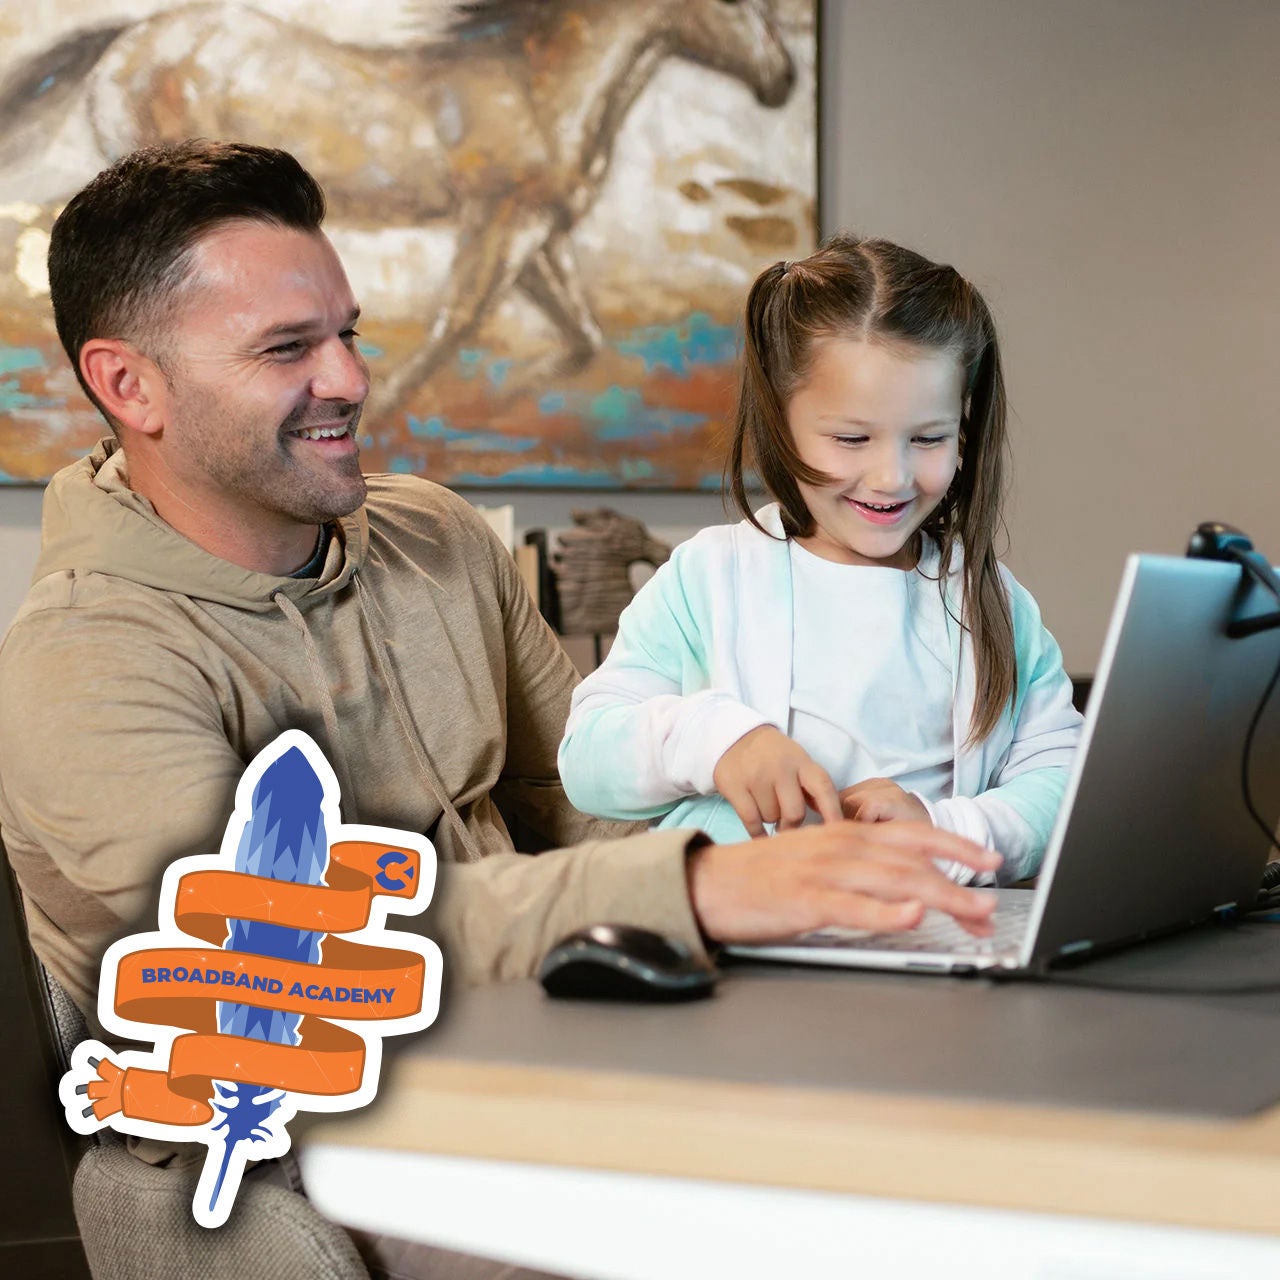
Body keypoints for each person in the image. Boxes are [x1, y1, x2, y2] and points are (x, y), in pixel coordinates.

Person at [0, 146, 1000, 1279]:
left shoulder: (435, 536)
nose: (348, 377)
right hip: (302, 1120)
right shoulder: (80, 658)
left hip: (541, 1048)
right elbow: (294, 946)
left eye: (348, 332)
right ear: (129, 385)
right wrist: (700, 889)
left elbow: (582, 801)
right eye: (287, 347)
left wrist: (791, 856)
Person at [559, 234, 1083, 884]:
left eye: (928, 438)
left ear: (963, 433)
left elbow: (1062, 781)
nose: (891, 476)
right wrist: (717, 739)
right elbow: (587, 755)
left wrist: (946, 830)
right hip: (753, 948)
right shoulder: (708, 578)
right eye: (850, 438)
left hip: (932, 942)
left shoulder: (990, 598)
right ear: (780, 421)